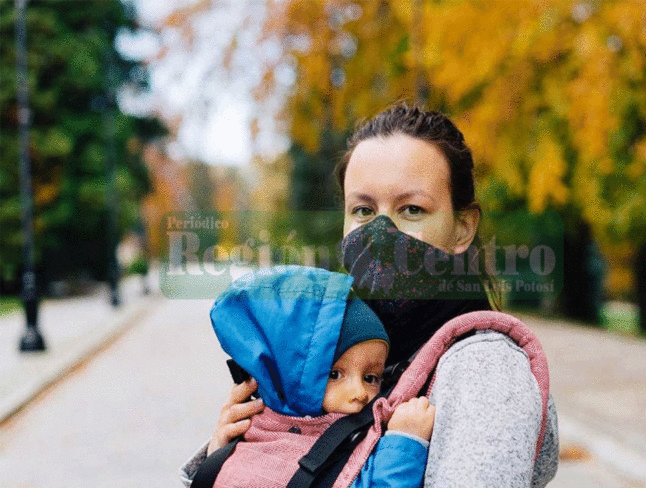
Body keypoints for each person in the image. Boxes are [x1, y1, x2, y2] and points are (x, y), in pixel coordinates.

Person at [182, 104, 559, 487]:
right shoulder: (340, 342)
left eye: (411, 209)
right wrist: (233, 457)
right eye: (363, 210)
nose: (380, 233)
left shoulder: (485, 371)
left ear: (462, 228)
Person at [182, 266, 435, 488]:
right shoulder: (258, 459)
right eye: (334, 374)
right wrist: (405, 444)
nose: (359, 393)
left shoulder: (358, 431)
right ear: (287, 377)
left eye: (371, 378)